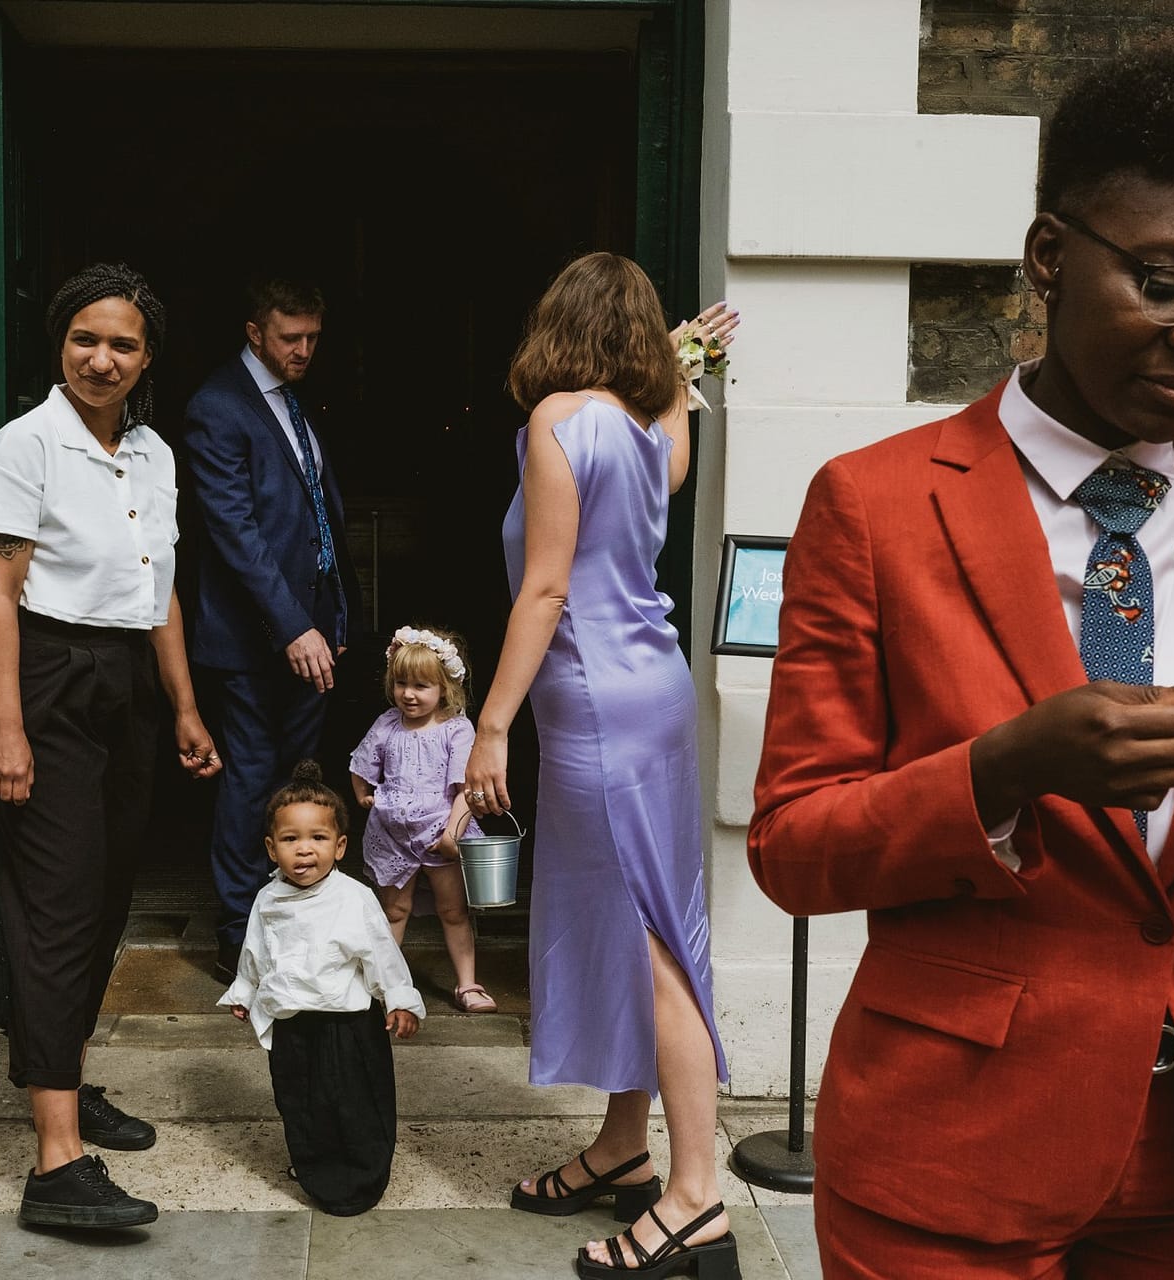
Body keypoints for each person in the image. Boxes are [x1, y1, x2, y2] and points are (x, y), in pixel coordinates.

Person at [749, 51, 1174, 1278]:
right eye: (1168, 280)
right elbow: (793, 844)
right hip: (956, 1149)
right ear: (1050, 255)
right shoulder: (875, 507)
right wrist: (1001, 767)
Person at [463, 253, 741, 1279]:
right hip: (653, 694)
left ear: (555, 321)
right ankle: (626, 1144)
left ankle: (695, 1193)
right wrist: (686, 359)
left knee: (653, 940)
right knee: (650, 920)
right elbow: (667, 433)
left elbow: (543, 591)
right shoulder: (649, 424)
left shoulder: (554, 422)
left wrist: (490, 725)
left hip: (591, 705)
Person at [0, 262, 221, 1231]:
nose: (102, 357)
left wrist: (186, 703)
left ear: (146, 354)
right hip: (48, 677)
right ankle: (54, 1158)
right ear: (59, 343)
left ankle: (63, 1076)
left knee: (106, 891)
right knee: (55, 905)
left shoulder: (152, 454)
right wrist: (6, 724)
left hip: (128, 688)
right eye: (86, 338)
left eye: (122, 342)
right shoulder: (21, 447)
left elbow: (158, 585)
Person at [184, 278, 362, 982]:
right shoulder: (217, 407)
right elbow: (237, 534)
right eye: (291, 338)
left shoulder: (289, 401)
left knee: (296, 778)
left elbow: (318, 513)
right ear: (255, 332)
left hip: (312, 634)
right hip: (255, 640)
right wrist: (293, 626)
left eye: (313, 338)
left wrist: (335, 616)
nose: (304, 350)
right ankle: (236, 931)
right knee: (252, 778)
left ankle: (290, 917)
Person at [220, 760, 424, 1216]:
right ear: (272, 849)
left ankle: (362, 1175)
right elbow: (256, 950)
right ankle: (315, 1167)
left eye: (318, 838)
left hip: (347, 1023)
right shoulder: (268, 898)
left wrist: (400, 999)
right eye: (291, 840)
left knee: (353, 1102)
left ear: (340, 845)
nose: (305, 850)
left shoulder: (353, 897)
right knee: (301, 1101)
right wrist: (244, 990)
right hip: (292, 1021)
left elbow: (381, 953)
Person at [348, 624, 492, 1012]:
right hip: (392, 833)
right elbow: (362, 763)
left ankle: (468, 984)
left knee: (453, 911)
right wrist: (363, 793)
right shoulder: (387, 724)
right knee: (394, 911)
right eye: (401, 684)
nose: (408, 694)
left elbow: (465, 790)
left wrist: (452, 834)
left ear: (445, 687)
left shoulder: (455, 729)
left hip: (439, 832)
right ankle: (385, 987)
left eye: (421, 686)